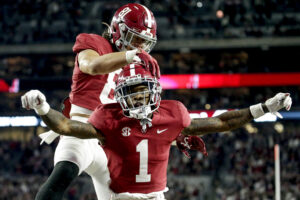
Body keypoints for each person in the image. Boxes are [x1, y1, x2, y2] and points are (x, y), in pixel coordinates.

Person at [21, 64, 292, 199]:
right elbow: (66, 126)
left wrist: (264, 107)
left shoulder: (172, 115)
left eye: (143, 93)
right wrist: (43, 108)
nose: (139, 100)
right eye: (132, 94)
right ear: (120, 97)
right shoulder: (109, 119)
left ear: (155, 93)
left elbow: (221, 123)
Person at [34, 3, 204, 200]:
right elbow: (91, 65)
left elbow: (144, 111)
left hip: (116, 137)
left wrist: (172, 135)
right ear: (119, 31)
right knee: (62, 175)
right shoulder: (95, 43)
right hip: (83, 128)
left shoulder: (140, 66)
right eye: (136, 39)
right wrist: (129, 56)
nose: (141, 47)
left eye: (145, 42)